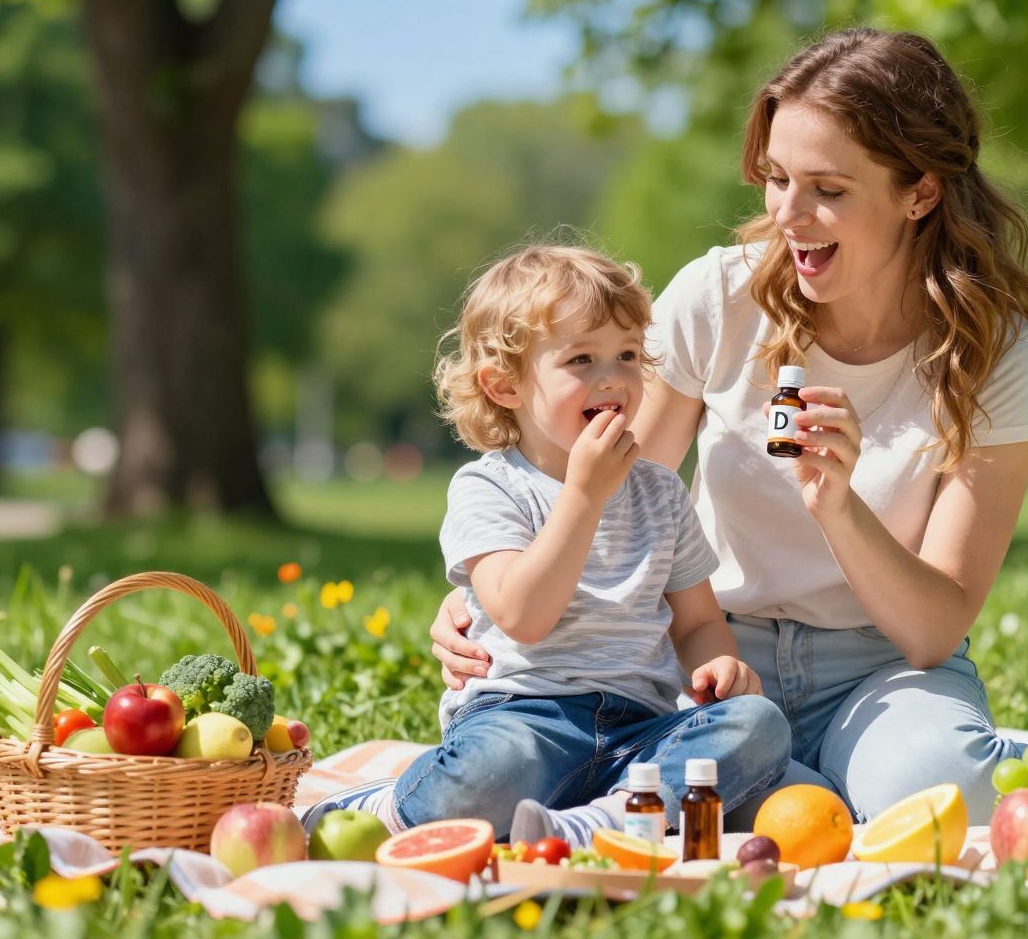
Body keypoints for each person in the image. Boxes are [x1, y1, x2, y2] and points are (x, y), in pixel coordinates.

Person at [432, 29, 1028, 829]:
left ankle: (856, 774)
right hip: (714, 658)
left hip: (882, 669)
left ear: (919, 191)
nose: (788, 214)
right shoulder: (720, 297)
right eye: (777, 179)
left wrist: (836, 503)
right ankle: (806, 788)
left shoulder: (1001, 351)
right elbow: (600, 496)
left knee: (948, 792)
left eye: (829, 189)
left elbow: (931, 630)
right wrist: (486, 597)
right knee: (722, 784)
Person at [304, 245, 791, 843]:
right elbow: (524, 617)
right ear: (505, 385)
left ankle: (603, 823)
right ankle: (387, 807)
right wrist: (584, 497)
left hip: (640, 728)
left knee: (757, 725)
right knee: (493, 770)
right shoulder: (489, 487)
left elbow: (695, 623)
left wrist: (716, 662)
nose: (611, 376)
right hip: (523, 719)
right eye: (581, 359)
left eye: (628, 355)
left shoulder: (660, 493)